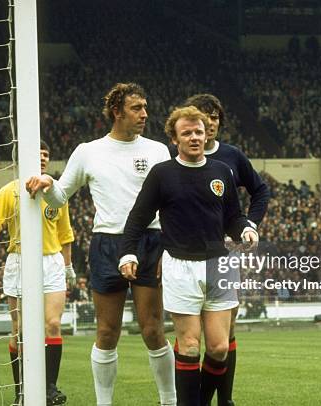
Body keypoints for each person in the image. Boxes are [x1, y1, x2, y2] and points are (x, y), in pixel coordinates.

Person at [26, 83, 176, 406]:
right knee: (107, 332)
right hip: (107, 243)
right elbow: (61, 194)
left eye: (145, 107)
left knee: (153, 330)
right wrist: (49, 182)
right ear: (117, 111)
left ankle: (169, 401)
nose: (145, 114)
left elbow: (170, 202)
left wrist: (168, 247)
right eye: (137, 108)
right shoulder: (88, 151)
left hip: (150, 240)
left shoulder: (157, 150)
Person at [119, 106, 257, 406]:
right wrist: (128, 252)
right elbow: (137, 218)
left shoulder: (221, 171)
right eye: (187, 133)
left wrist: (244, 229)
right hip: (180, 266)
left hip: (218, 265)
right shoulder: (162, 174)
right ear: (174, 139)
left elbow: (232, 216)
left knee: (219, 348)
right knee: (191, 345)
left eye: (199, 131)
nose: (195, 137)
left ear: (207, 133)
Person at [176, 94, 270, 405]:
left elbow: (260, 190)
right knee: (190, 336)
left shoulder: (232, 156)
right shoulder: (174, 157)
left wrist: (250, 225)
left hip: (224, 253)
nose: (211, 122)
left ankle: (224, 399)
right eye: (205, 116)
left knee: (224, 332)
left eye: (215, 117)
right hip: (184, 255)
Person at [0, 140, 75, 405]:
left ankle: (49, 388)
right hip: (19, 261)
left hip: (51, 262)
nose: (42, 158)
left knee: (52, 324)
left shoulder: (56, 194)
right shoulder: (10, 192)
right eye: (37, 153)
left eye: (46, 154)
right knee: (20, 329)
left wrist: (68, 266)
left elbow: (65, 235)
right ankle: (20, 391)